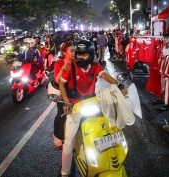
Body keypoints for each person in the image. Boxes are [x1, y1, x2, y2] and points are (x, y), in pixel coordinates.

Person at [59, 40, 127, 177]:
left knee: (110, 129)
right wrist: (66, 103)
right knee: (68, 143)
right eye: (78, 54)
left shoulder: (95, 66)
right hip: (75, 107)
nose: (79, 57)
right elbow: (61, 84)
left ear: (91, 55)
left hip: (93, 103)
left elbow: (106, 76)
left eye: (83, 55)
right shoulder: (70, 66)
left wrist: (120, 86)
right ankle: (65, 173)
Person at [52, 41, 73, 149]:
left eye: (75, 50)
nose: (74, 53)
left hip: (75, 92)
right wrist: (62, 69)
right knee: (61, 114)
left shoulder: (76, 61)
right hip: (62, 92)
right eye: (71, 51)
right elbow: (56, 80)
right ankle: (58, 137)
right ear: (65, 52)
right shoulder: (59, 63)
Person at [152, 33, 169, 111]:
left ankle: (168, 103)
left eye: (167, 38)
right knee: (162, 85)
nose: (165, 39)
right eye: (165, 38)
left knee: (168, 86)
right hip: (162, 69)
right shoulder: (164, 47)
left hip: (168, 71)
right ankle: (161, 97)